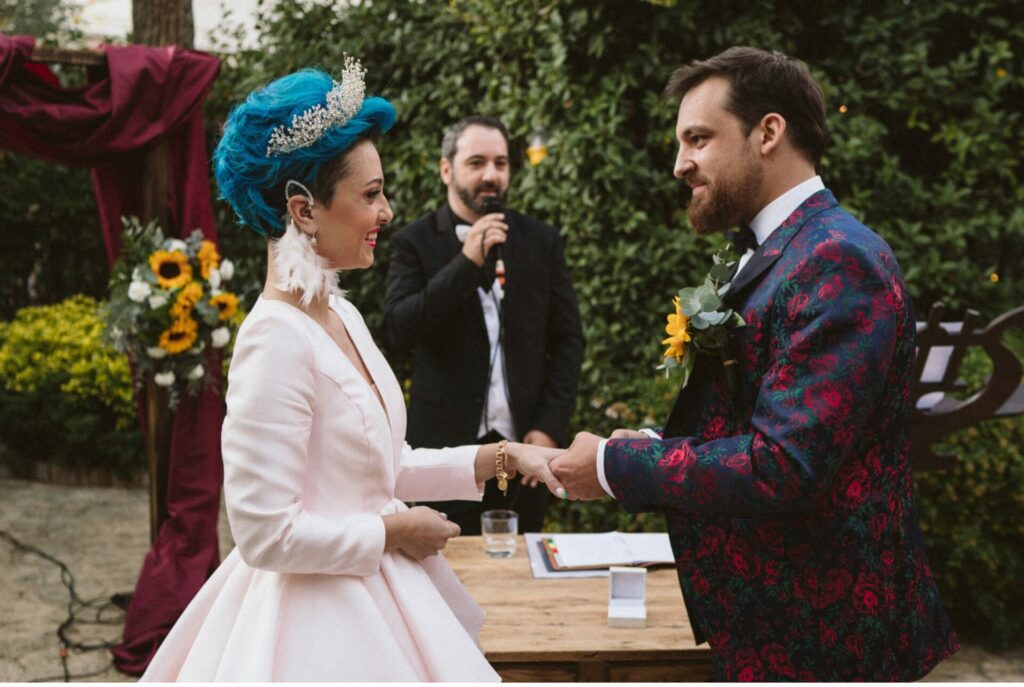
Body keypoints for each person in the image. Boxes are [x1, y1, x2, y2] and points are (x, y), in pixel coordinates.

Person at [140, 62, 563, 682]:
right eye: (370, 195)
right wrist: (391, 532)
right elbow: (264, 535)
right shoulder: (272, 340)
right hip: (316, 624)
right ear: (303, 211)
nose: (387, 212)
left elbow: (378, 466)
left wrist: (504, 459)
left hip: (382, 593)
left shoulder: (341, 311)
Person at [549, 47, 959, 681]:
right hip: (772, 625)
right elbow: (762, 419)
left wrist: (612, 464)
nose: (680, 163)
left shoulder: (838, 258)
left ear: (769, 131)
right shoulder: (780, 249)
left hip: (829, 639)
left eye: (699, 139)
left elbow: (784, 465)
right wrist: (661, 443)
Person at [383, 115, 584, 534]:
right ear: (446, 169)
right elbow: (400, 330)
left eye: (501, 163)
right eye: (476, 163)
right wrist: (466, 263)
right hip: (442, 457)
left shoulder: (540, 241)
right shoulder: (413, 243)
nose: (491, 175)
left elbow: (568, 342)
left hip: (526, 457)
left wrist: (548, 429)